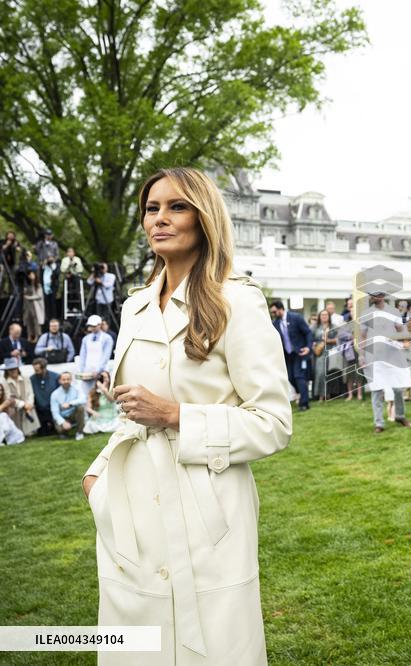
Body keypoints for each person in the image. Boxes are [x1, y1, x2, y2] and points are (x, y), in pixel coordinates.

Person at [82, 167, 292, 665]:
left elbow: (273, 422)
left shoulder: (238, 300)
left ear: (204, 217)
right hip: (131, 506)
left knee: (214, 645)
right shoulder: (133, 306)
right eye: (152, 208)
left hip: (208, 509)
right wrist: (99, 474)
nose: (160, 218)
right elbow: (130, 413)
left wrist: (177, 416)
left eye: (176, 206)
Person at [359, 291, 411, 432]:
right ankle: (379, 423)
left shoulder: (393, 311)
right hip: (374, 356)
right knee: (376, 389)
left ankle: (400, 416)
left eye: (374, 295)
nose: (371, 297)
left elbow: (401, 331)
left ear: (381, 296)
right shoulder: (367, 313)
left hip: (392, 354)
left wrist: (397, 340)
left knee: (397, 388)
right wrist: (361, 356)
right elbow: (363, 336)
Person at [269, 300, 312, 411]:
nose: (273, 314)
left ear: (280, 309)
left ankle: (304, 403)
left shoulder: (296, 317)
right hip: (287, 355)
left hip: (300, 352)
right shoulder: (275, 324)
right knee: (290, 377)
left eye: (274, 312)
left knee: (299, 376)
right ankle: (302, 393)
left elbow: (307, 332)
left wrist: (308, 347)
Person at [3, 358, 38, 437]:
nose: (13, 371)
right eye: (10, 369)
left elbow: (30, 393)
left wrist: (29, 404)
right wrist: (22, 404)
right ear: (7, 371)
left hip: (27, 405)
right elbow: (8, 397)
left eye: (14, 368)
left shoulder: (25, 378)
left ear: (17, 369)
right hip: (13, 407)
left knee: (29, 433)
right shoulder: (4, 382)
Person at [78, 314, 113, 393]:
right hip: (87, 371)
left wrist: (98, 370)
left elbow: (106, 356)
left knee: (101, 395)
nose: (92, 328)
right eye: (91, 326)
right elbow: (83, 355)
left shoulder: (107, 338)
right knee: (86, 394)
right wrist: (82, 370)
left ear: (99, 325)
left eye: (94, 325)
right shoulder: (86, 338)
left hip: (101, 372)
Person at [50, 370, 87, 440]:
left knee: (81, 408)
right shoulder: (54, 394)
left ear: (71, 380)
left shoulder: (76, 389)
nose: (66, 381)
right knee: (61, 430)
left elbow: (83, 399)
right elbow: (55, 413)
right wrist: (63, 422)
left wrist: (70, 404)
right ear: (60, 381)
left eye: (68, 379)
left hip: (73, 414)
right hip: (62, 416)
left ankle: (79, 432)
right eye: (63, 379)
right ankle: (64, 433)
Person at [310, 309, 338, 401]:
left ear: (329, 316)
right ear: (319, 316)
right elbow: (309, 338)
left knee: (330, 373)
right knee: (320, 373)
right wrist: (314, 346)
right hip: (320, 352)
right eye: (322, 315)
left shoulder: (333, 326)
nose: (324, 316)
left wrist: (328, 340)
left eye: (326, 315)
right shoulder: (315, 327)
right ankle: (320, 395)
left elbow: (339, 339)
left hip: (331, 351)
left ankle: (329, 394)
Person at [30, 357, 61, 435]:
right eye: (35, 370)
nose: (36, 372)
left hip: (53, 408)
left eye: (37, 370)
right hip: (39, 410)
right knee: (42, 433)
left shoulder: (55, 377)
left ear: (44, 368)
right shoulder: (32, 379)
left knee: (58, 430)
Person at [83, 370, 119, 434]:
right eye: (102, 378)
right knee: (90, 425)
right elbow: (88, 408)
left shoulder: (113, 390)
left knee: (118, 423)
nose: (104, 379)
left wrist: (103, 390)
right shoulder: (93, 392)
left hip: (112, 415)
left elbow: (112, 400)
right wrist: (93, 412)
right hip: (99, 416)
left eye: (106, 377)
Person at [336, 319, 362, 401]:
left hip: (357, 352)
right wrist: (351, 337)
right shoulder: (341, 331)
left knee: (359, 374)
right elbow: (341, 336)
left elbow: (359, 335)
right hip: (347, 354)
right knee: (348, 375)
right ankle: (350, 394)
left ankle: (359, 394)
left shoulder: (357, 325)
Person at [22, 269, 45, 341]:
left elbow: (39, 296)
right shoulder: (27, 285)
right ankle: (30, 336)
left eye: (32, 274)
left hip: (36, 305)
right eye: (30, 275)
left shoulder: (38, 285)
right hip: (28, 306)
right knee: (29, 321)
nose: (31, 276)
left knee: (36, 321)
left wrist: (29, 298)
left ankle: (37, 336)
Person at [41, 253, 60, 322]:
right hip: (45, 287)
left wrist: (52, 266)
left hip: (53, 286)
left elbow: (57, 274)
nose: (50, 259)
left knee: (53, 302)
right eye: (48, 258)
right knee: (46, 302)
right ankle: (47, 317)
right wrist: (44, 263)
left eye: (51, 257)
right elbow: (40, 272)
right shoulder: (44, 267)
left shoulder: (56, 266)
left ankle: (54, 317)